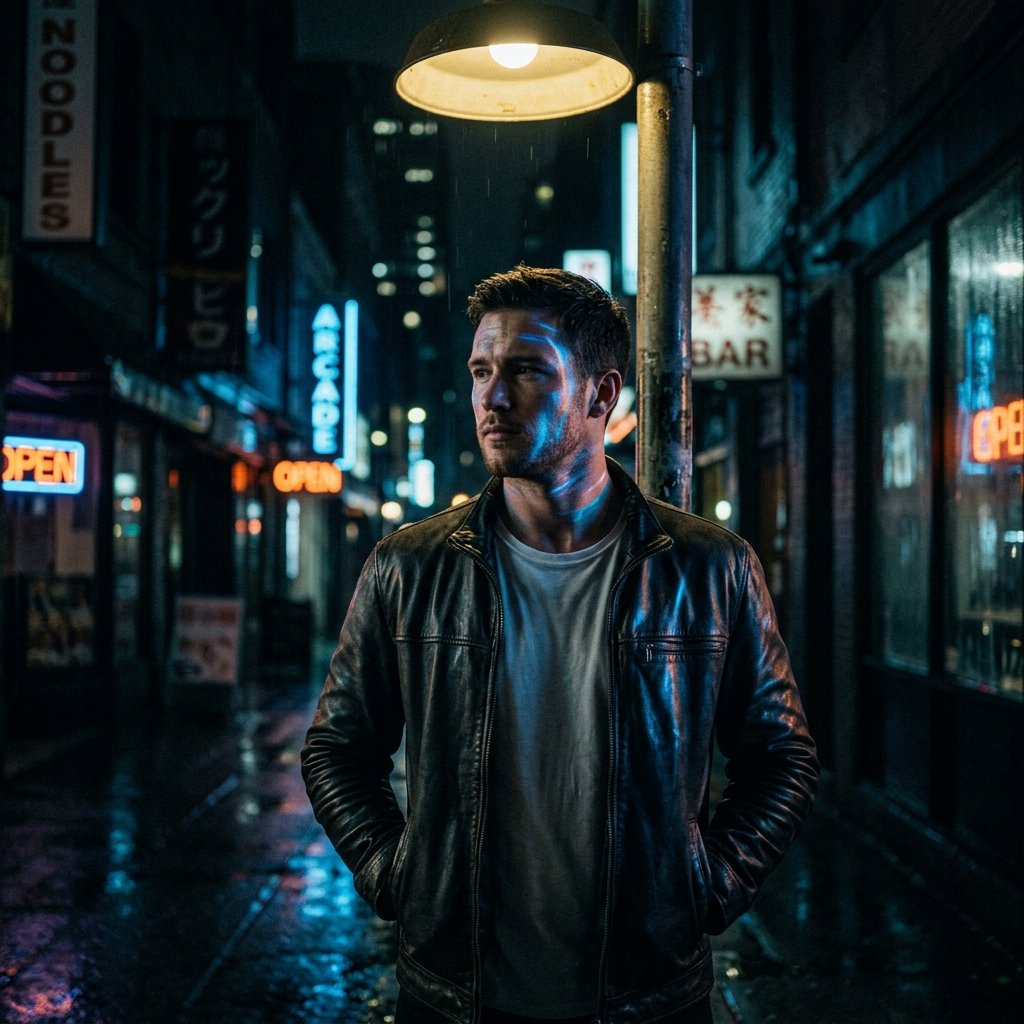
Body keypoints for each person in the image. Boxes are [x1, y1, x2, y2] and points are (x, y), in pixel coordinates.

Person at [301, 265, 819, 1024]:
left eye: (527, 371)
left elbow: (782, 757)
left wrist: (706, 886)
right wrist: (397, 875)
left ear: (601, 396)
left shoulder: (709, 568)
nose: (492, 398)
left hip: (649, 998)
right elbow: (336, 750)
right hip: (454, 997)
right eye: (481, 371)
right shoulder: (408, 568)